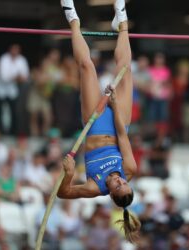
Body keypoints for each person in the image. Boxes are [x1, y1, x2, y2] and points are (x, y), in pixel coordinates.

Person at [57, 0, 140, 243]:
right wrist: (113, 104)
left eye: (118, 184)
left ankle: (72, 18)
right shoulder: (129, 169)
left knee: (87, 67)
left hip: (93, 126)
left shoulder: (94, 188)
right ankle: (122, 21)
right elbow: (123, 137)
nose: (120, 179)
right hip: (117, 123)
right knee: (125, 69)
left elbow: (64, 193)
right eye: (124, 182)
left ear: (112, 194)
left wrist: (69, 175)